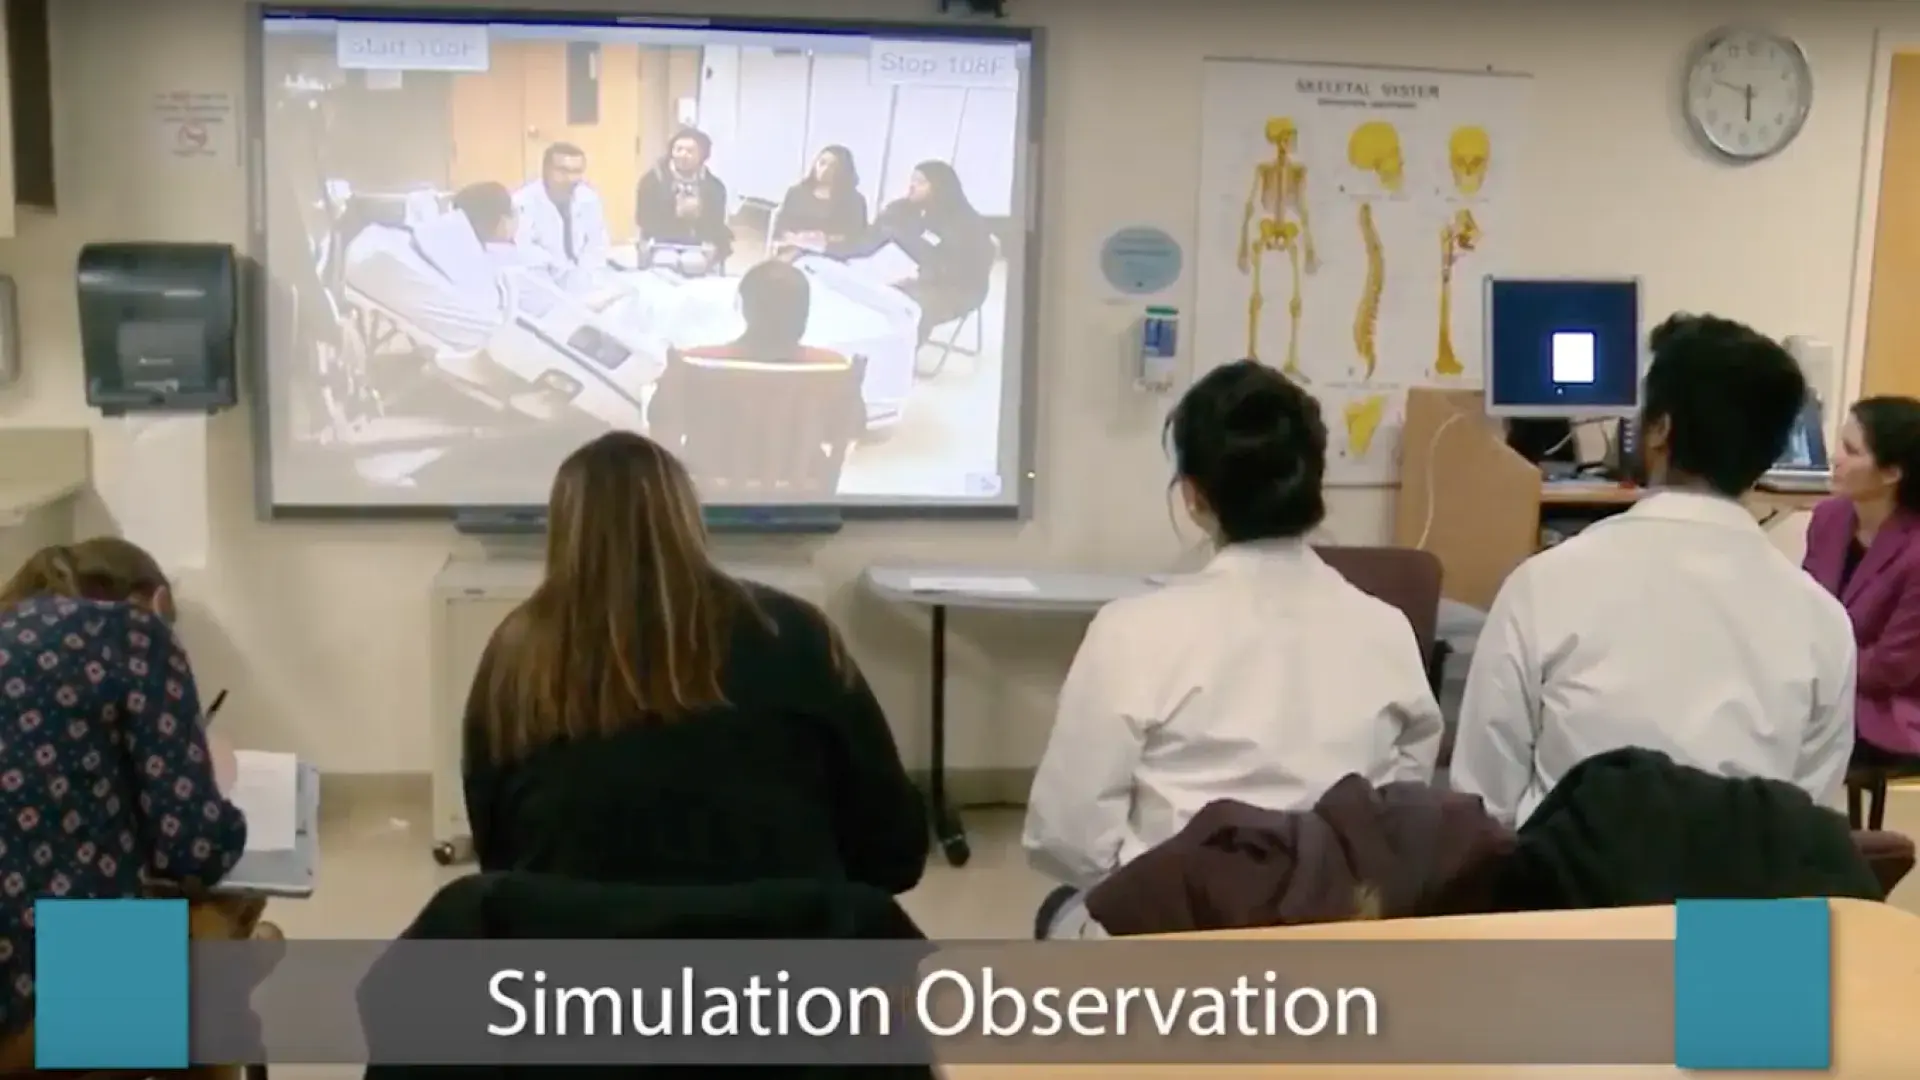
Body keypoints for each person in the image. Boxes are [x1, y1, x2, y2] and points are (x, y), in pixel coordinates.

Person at [1022, 360, 1444, 938]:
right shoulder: (1387, 629)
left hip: (1174, 942)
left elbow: (1067, 836)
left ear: (1193, 496)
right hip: (1336, 936)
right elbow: (1402, 797)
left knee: (1058, 909)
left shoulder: (1133, 631)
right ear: (1312, 486)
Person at [460, 432, 927, 891]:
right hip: (782, 950)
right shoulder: (794, 632)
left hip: (578, 957)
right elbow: (893, 852)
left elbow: (499, 856)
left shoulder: (515, 657)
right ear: (688, 517)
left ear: (561, 528)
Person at [1452, 313, 1857, 827]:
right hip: (1748, 904)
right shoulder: (1823, 622)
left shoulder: (1545, 586)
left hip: (1577, 898)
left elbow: (1485, 799)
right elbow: (1810, 812)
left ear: (1660, 428)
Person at [0, 540, 249, 1041]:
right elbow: (196, 851)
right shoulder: (138, 633)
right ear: (157, 601)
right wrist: (226, 811)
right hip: (32, 993)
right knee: (229, 943)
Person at [1804, 395, 1920, 766]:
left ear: (1892, 473)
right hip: (1828, 685)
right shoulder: (1828, 517)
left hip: (1888, 708)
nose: (1836, 458)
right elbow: (1802, 610)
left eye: (1852, 451)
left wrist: (1814, 670)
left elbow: (1892, 669)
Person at [863, 160, 997, 343]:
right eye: (912, 180)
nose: (911, 186)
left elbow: (959, 269)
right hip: (917, 276)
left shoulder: (966, 223)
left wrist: (921, 273)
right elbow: (877, 234)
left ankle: (901, 357)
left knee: (909, 307)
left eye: (920, 182)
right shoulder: (906, 208)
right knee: (872, 297)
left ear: (938, 188)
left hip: (957, 288)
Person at [634, 127, 734, 267]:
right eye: (678, 149)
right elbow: (643, 219)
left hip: (699, 243)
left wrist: (699, 215)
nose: (683, 155)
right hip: (661, 242)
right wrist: (674, 211)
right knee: (667, 262)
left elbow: (716, 222)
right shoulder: (652, 181)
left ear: (703, 155)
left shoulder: (714, 186)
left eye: (690, 151)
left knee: (693, 264)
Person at [514, 142, 611, 274]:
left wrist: (583, 272)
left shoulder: (588, 197)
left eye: (576, 172)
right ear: (546, 171)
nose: (570, 179)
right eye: (563, 171)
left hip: (584, 277)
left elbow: (598, 244)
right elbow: (523, 251)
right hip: (542, 278)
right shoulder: (523, 202)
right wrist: (561, 270)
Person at [773, 145, 869, 254]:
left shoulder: (854, 201)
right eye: (822, 163)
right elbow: (781, 228)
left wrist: (825, 239)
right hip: (794, 251)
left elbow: (856, 237)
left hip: (833, 256)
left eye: (832, 166)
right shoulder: (796, 192)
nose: (825, 169)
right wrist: (796, 238)